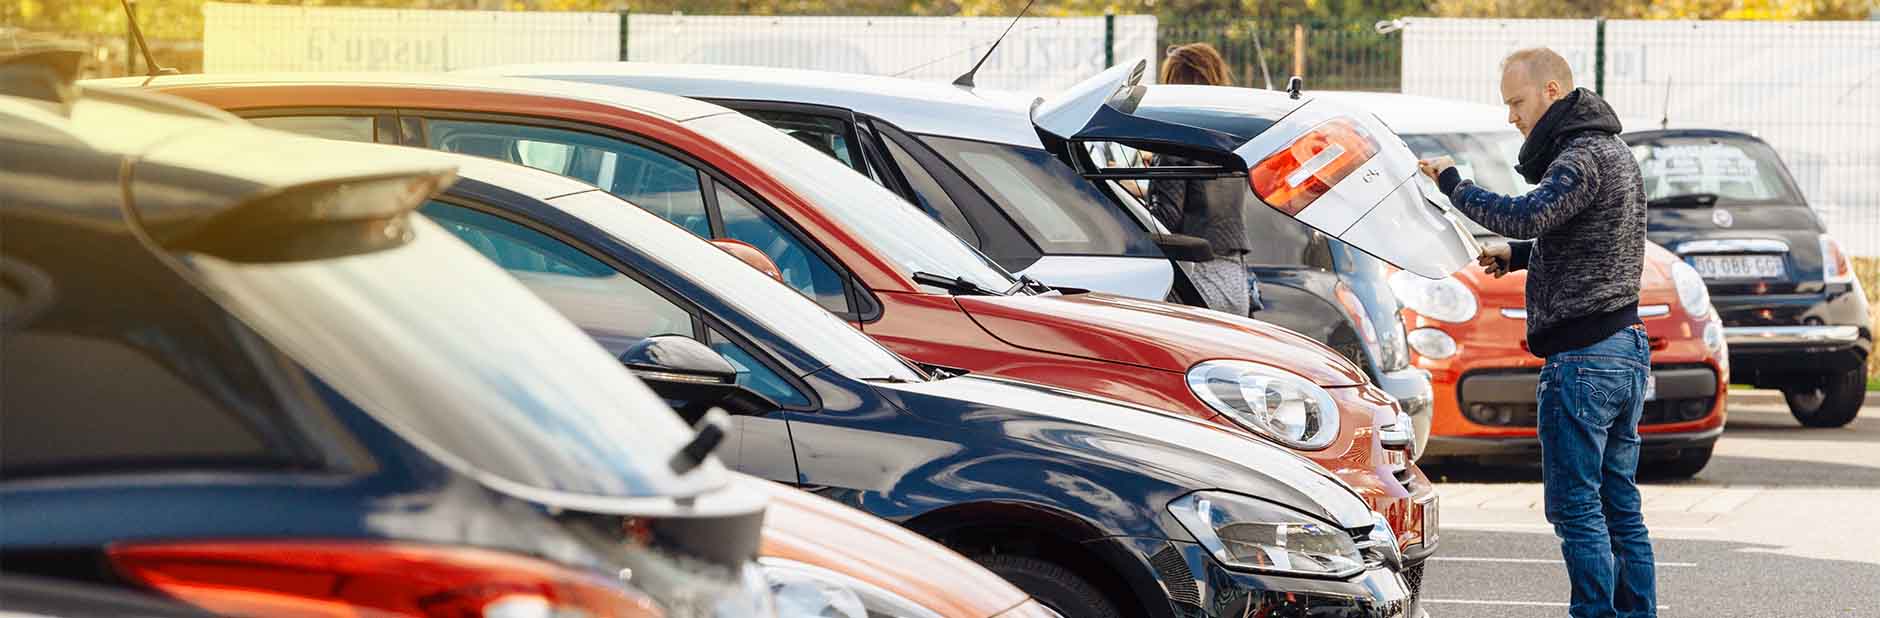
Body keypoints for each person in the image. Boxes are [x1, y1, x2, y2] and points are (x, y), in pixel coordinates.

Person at [1420, 48, 1656, 618]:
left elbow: (1526, 213)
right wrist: (1521, 256)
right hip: (1624, 348)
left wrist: (1454, 182)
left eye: (1516, 102)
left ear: (1552, 92)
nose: (1511, 117)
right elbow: (1585, 238)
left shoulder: (1579, 157)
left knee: (1577, 508)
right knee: (1618, 503)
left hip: (1584, 360)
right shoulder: (1614, 152)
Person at [1149, 43, 1262, 315]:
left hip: (1195, 281)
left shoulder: (1175, 141)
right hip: (1235, 279)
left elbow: (1165, 219)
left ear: (1174, 83)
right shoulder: (1229, 137)